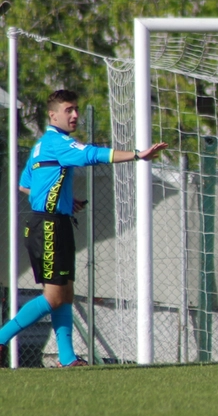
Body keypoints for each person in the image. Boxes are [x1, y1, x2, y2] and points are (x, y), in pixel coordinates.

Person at [0, 90, 167, 368]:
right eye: (68, 110)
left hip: (56, 222)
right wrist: (138, 155)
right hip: (48, 226)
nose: (75, 115)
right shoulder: (58, 143)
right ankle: (2, 336)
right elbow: (91, 154)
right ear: (53, 115)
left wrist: (65, 199)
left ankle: (67, 359)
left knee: (64, 293)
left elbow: (24, 184)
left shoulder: (41, 145)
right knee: (53, 297)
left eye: (76, 109)